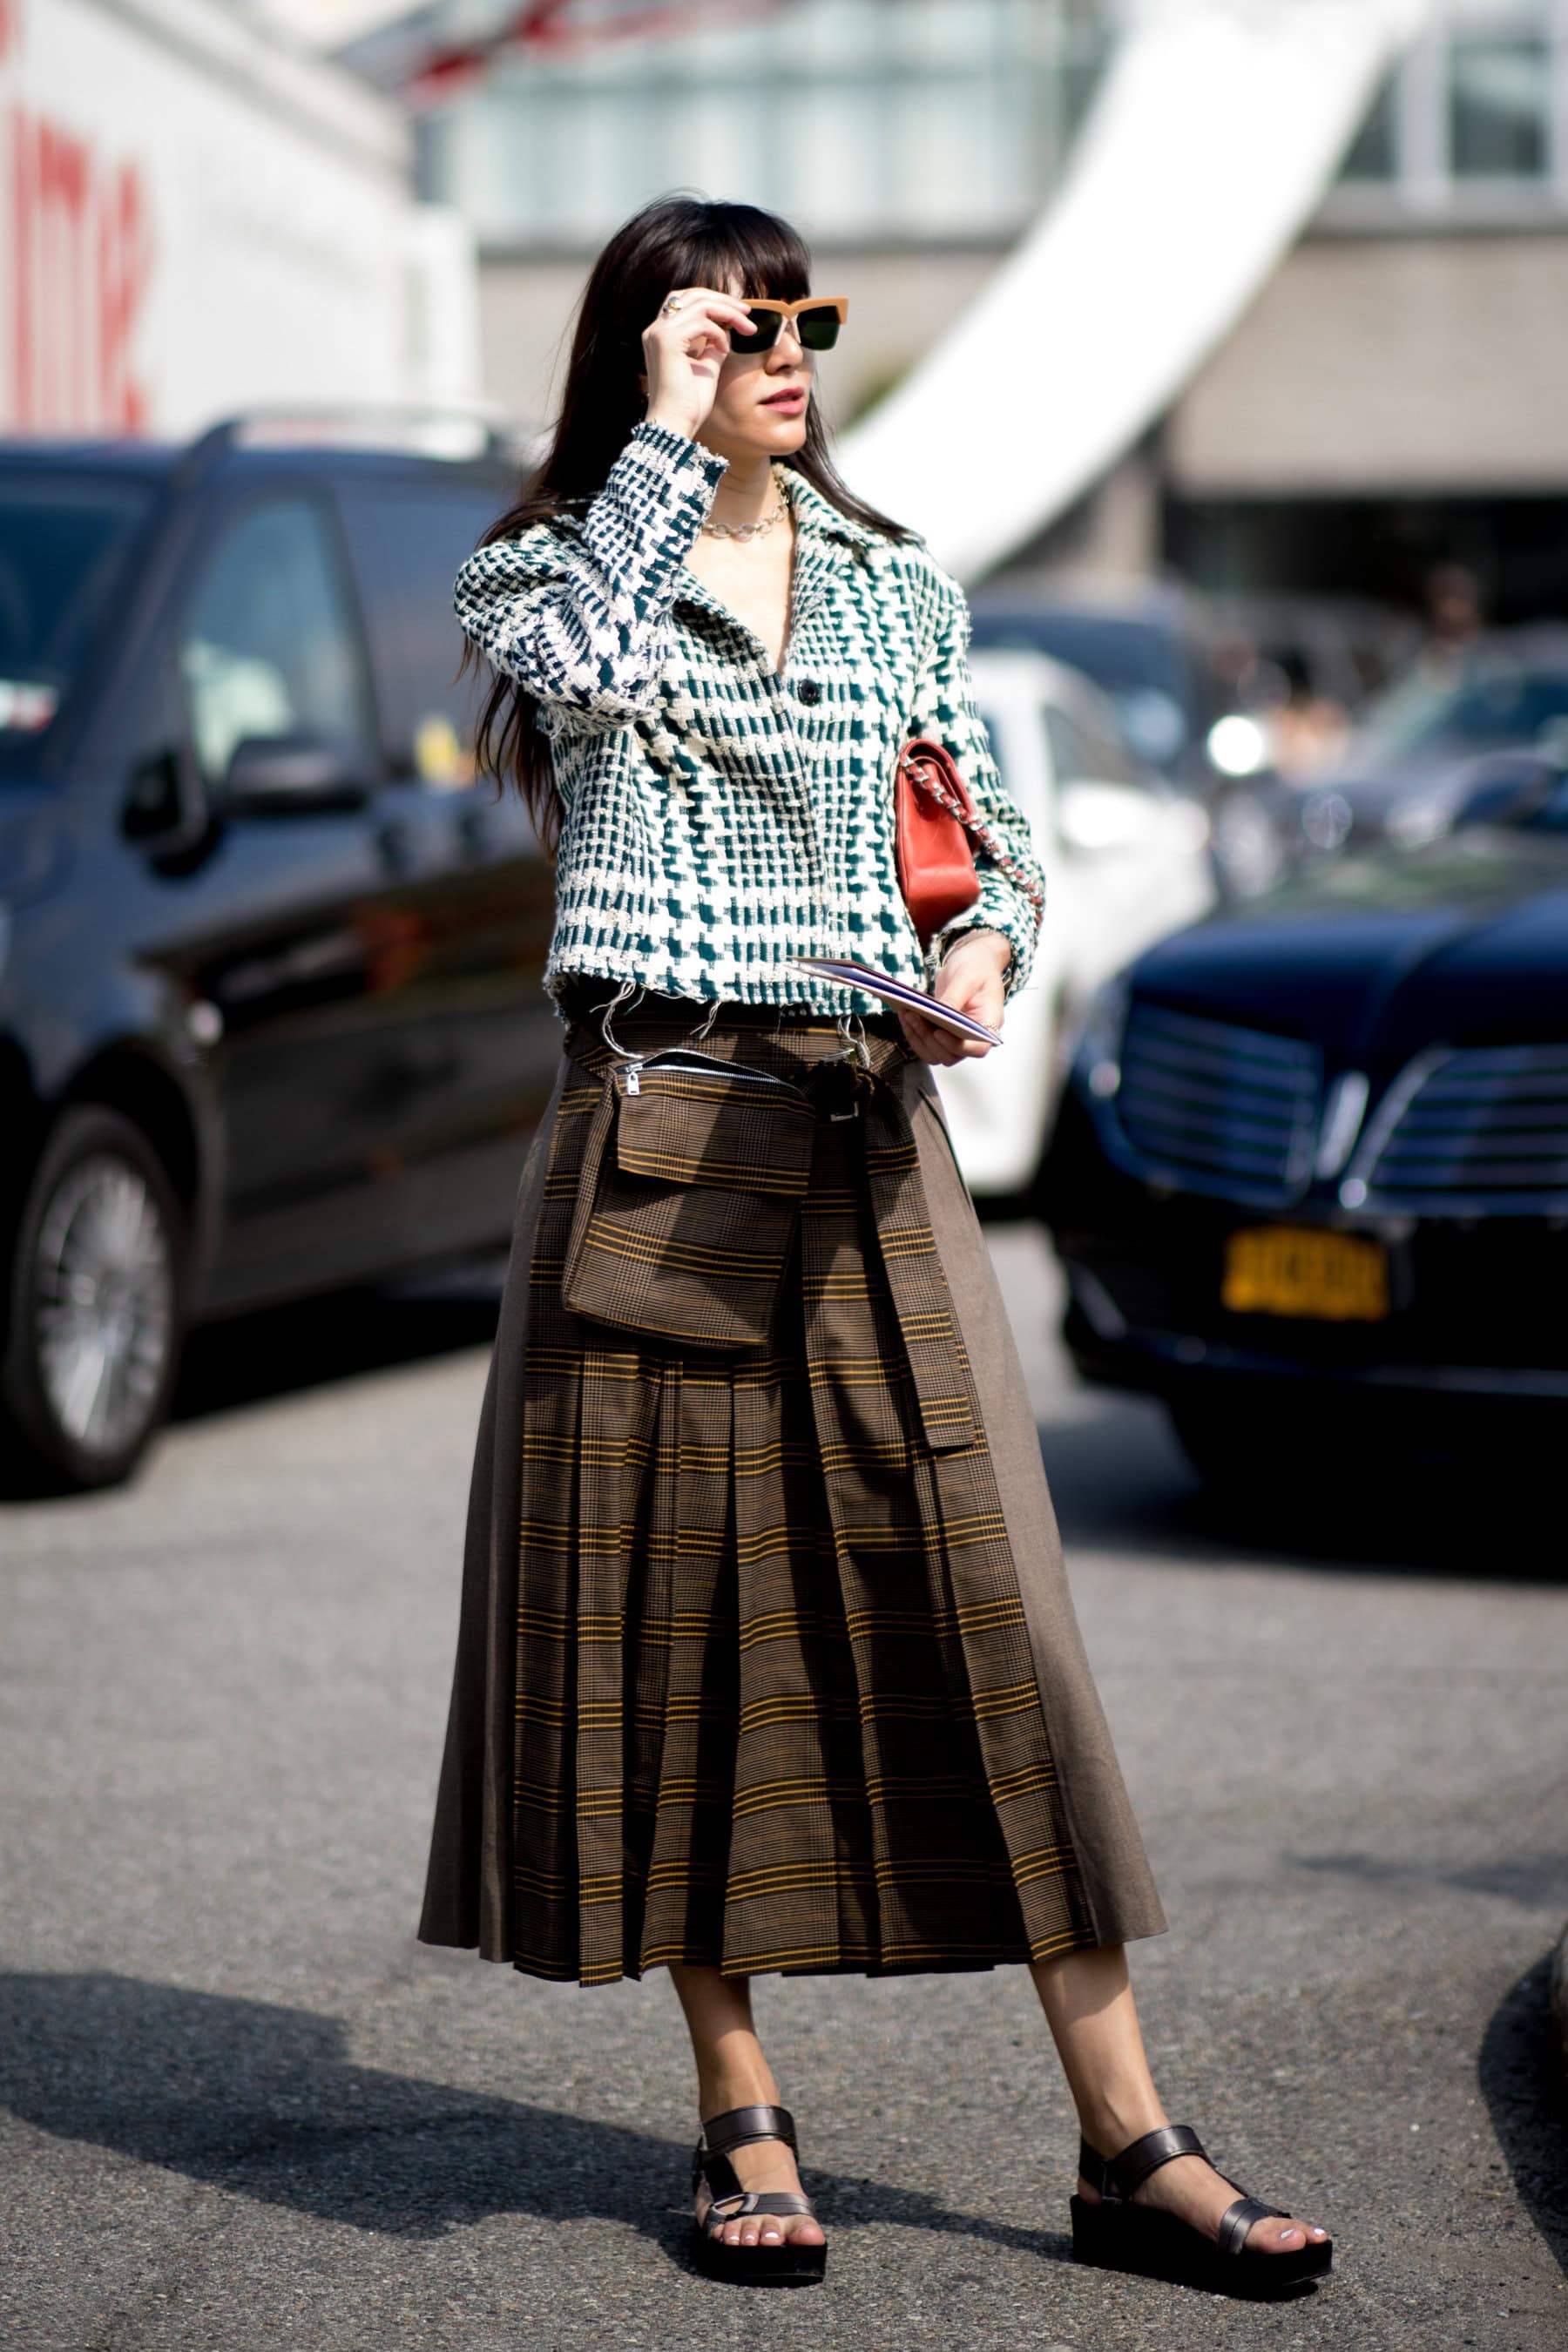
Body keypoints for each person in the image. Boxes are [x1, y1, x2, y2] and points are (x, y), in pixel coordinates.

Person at [418, 193, 1333, 2299]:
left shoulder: (898, 578)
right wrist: (664, 447)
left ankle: (1131, 2138)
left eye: (799, 320)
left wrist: (985, 952)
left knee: (991, 1610)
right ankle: (741, 2109)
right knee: (675, 1630)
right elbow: (581, 675)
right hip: (656, 1134)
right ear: (646, 357)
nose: (781, 356)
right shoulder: (542, 567)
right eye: (728, 329)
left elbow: (983, 837)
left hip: (863, 1131)